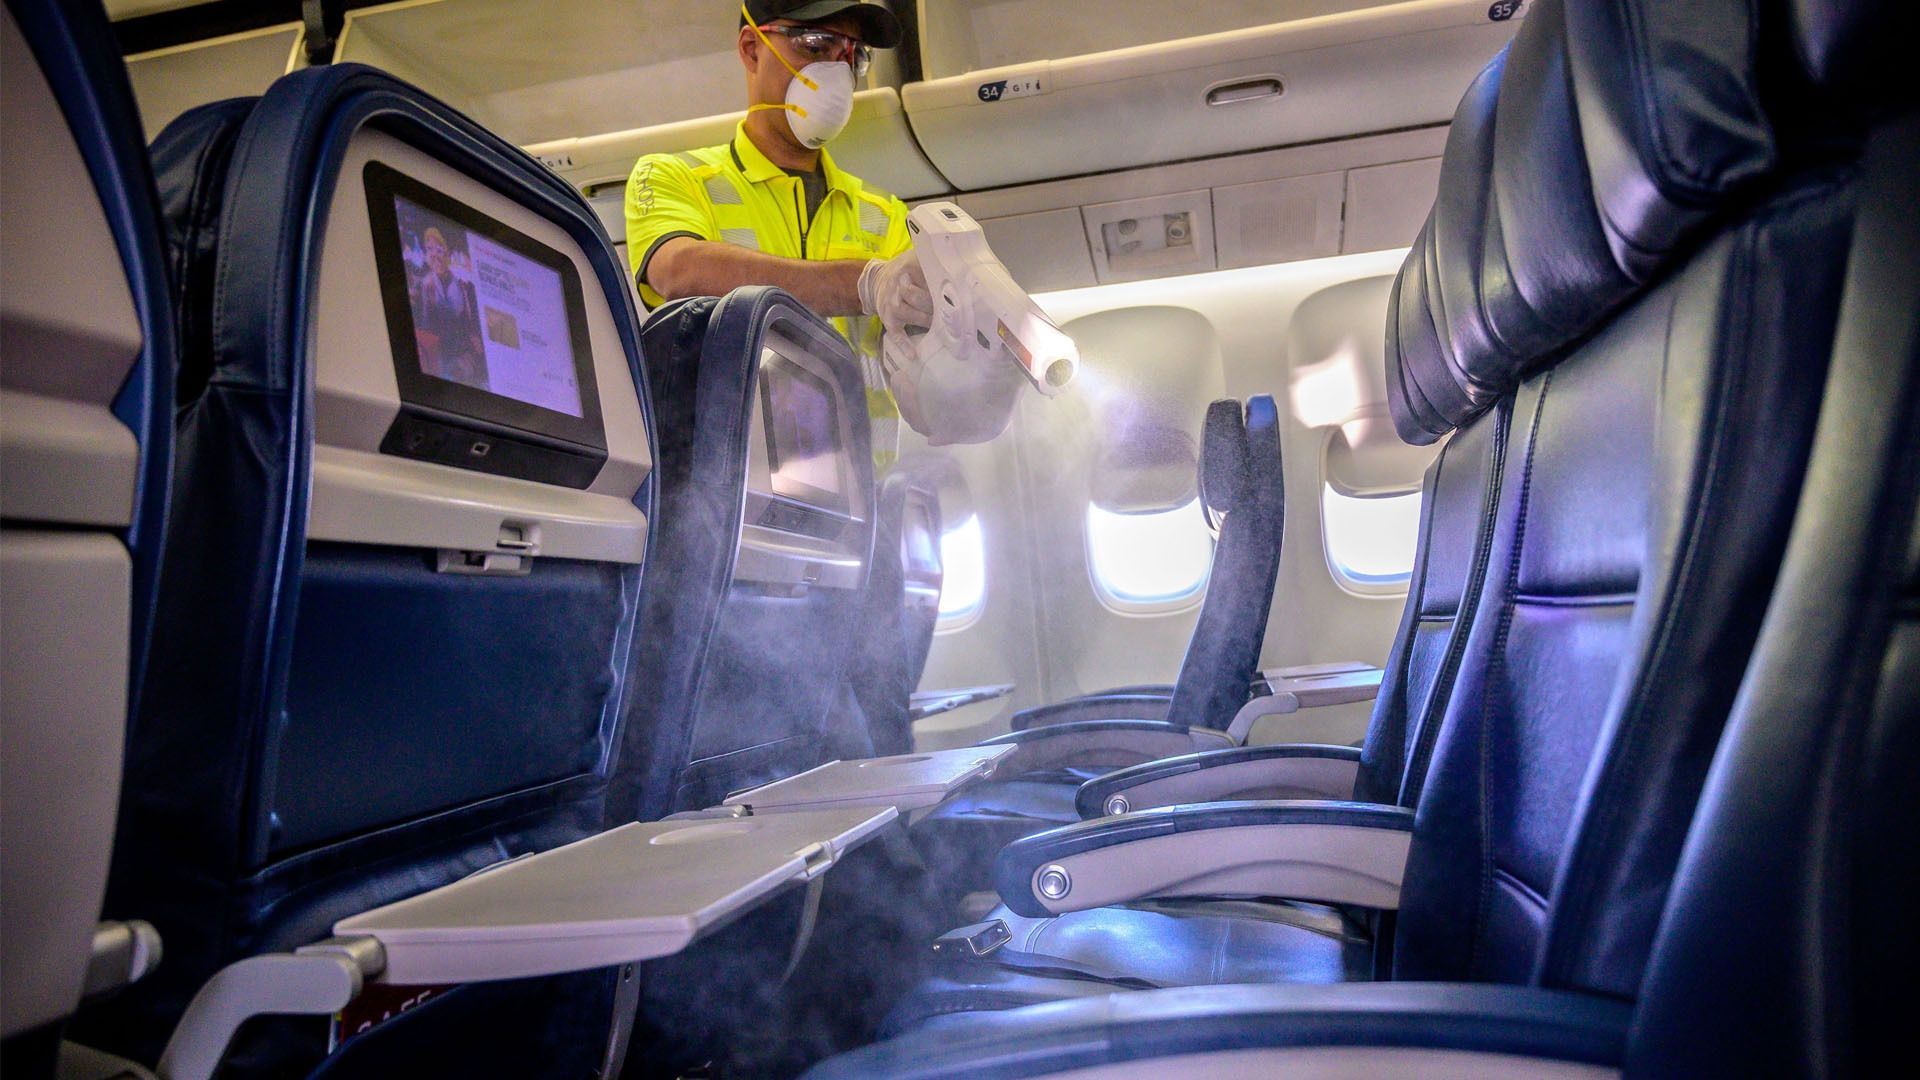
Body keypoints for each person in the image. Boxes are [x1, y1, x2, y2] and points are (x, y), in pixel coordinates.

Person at [625, 1, 933, 469]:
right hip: (732, 496)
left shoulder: (886, 216)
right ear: (752, 49)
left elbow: (931, 371)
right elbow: (679, 271)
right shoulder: (675, 177)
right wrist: (864, 283)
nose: (838, 73)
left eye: (852, 55)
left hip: (865, 503)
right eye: (817, 45)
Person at [412, 225, 488, 388]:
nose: (434, 255)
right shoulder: (424, 285)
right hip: (436, 359)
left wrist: (470, 348)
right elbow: (424, 329)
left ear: (448, 252)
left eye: (439, 249)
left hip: (464, 354)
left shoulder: (464, 285)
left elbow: (473, 327)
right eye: (429, 249)